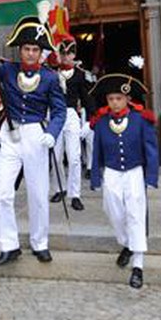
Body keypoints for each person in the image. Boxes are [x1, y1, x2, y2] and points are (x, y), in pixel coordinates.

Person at [0, 4, 66, 266]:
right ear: (20, 49)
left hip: (36, 134)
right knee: (2, 191)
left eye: (35, 49)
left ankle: (40, 242)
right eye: (26, 48)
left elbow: (58, 111)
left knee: (37, 193)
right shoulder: (7, 70)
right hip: (9, 135)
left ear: (41, 52)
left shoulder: (49, 77)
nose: (30, 53)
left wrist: (52, 133)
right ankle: (9, 245)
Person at [89, 56, 159, 288]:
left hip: (134, 171)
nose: (115, 103)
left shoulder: (141, 120)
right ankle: (127, 243)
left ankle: (138, 264)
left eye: (119, 98)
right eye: (111, 99)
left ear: (127, 99)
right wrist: (95, 177)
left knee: (135, 212)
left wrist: (151, 176)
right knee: (113, 208)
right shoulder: (101, 122)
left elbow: (150, 148)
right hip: (111, 171)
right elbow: (96, 150)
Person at [50, 35, 94, 211]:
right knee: (56, 156)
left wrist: (90, 121)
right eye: (63, 53)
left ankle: (75, 194)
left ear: (74, 55)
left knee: (74, 157)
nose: (66, 56)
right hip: (54, 115)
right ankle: (59, 188)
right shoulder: (52, 73)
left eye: (69, 53)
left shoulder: (80, 75)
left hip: (71, 115)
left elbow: (87, 99)